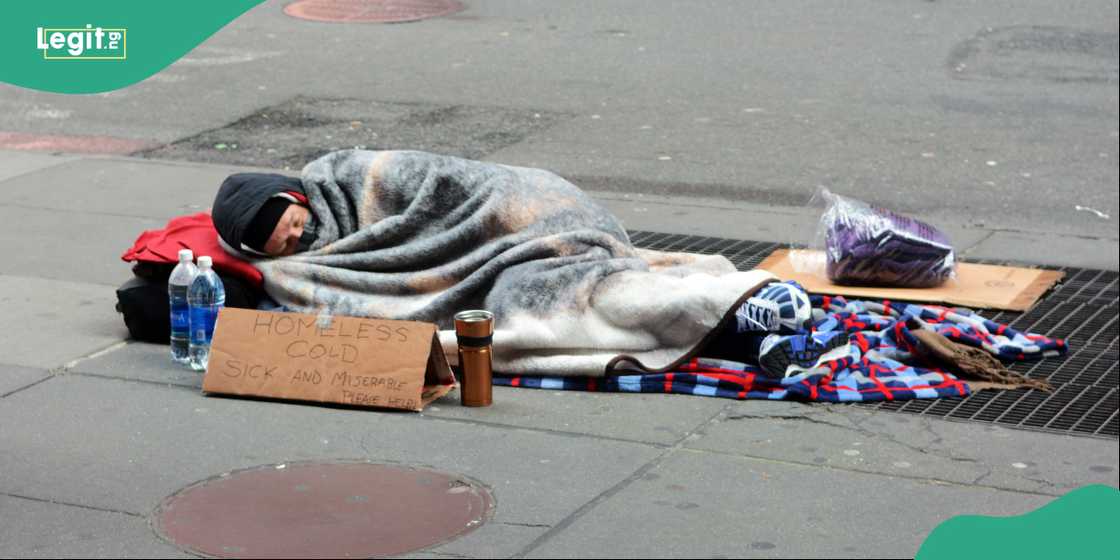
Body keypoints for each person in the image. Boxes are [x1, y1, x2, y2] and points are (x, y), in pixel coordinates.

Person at [208, 167, 849, 380]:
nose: (288, 239)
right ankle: (743, 334)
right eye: (269, 243)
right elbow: (353, 285)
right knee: (543, 318)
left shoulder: (352, 175)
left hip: (526, 219)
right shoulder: (299, 263)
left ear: (291, 196)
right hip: (486, 271)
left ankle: (739, 299)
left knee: (573, 292)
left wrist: (486, 239)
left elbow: (444, 187)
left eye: (284, 222)